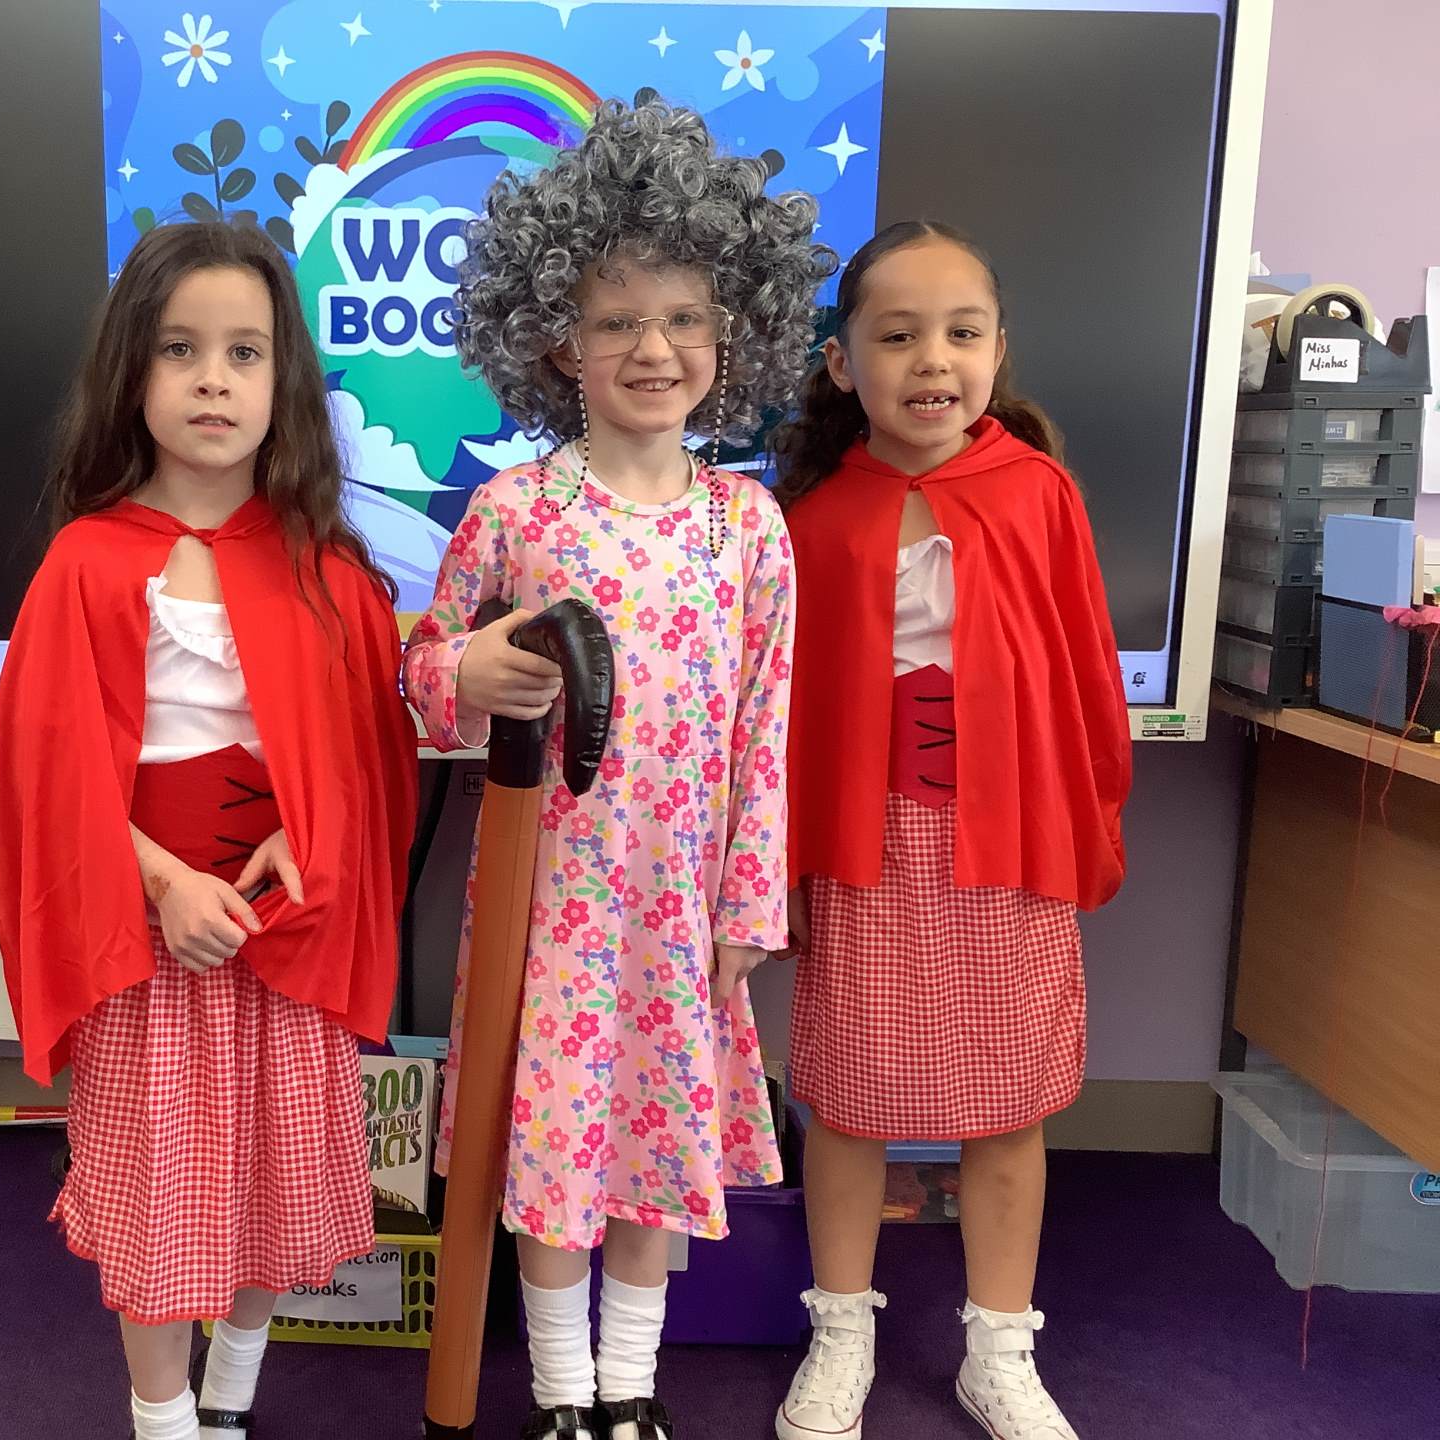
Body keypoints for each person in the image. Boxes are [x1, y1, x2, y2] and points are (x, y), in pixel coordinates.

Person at [404, 99, 832, 1440]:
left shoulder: (749, 524)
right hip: (551, 908)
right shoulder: (515, 510)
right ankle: (561, 1393)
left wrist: (750, 905)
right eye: (617, 321)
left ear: (735, 333)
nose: (654, 349)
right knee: (548, 1150)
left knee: (656, 1148)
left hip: (682, 906)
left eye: (685, 319)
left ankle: (632, 1389)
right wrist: (466, 674)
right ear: (556, 338)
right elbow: (425, 674)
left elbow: (766, 728)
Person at [0, 220, 416, 1440]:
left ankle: (232, 1390)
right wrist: (164, 883)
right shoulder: (84, 564)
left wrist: (306, 841)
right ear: (133, 372)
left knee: (279, 1186)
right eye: (180, 350)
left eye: (244, 352)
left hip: (284, 938)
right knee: (160, 1199)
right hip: (145, 942)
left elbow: (365, 765)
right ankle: (164, 1420)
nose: (213, 380)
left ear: (286, 383)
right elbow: (47, 780)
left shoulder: (327, 569)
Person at [770, 221, 1132, 1440]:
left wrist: (1087, 822)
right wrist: (781, 863)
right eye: (898, 334)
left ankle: (1000, 1350)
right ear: (843, 362)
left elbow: (1084, 676)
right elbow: (784, 718)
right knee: (848, 1098)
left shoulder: (1038, 494)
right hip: (864, 840)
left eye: (962, 333)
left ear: (997, 349)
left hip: (1007, 835)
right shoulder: (815, 518)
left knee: (1010, 1102)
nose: (934, 359)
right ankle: (841, 1332)